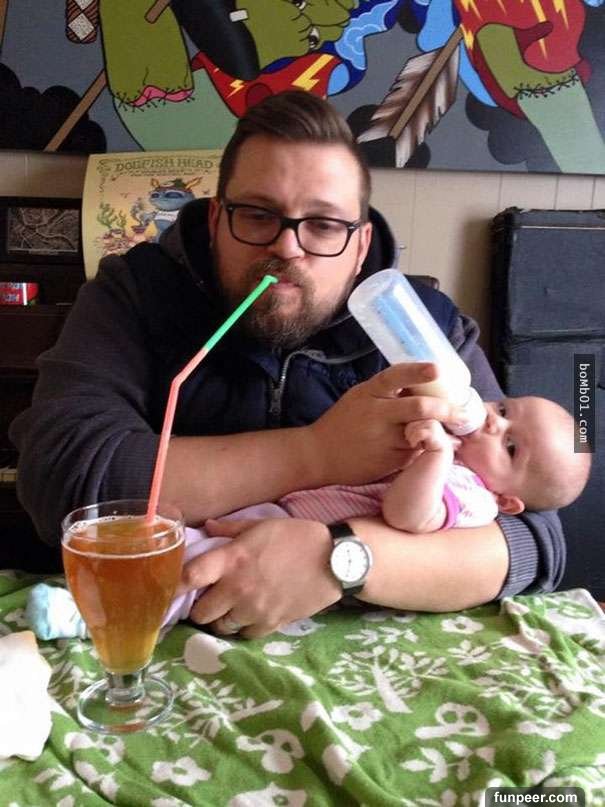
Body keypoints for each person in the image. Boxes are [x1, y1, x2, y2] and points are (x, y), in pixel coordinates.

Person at [10, 90, 568, 640]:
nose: (287, 248)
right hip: (144, 630)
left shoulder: (425, 331)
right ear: (215, 221)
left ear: (360, 245)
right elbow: (63, 483)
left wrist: (342, 561)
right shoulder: (133, 296)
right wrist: (317, 452)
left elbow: (535, 537)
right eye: (258, 215)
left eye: (323, 224)